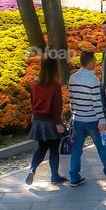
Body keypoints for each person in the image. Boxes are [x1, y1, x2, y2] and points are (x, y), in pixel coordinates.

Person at [67, 50, 106, 185]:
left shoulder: (72, 78)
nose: (96, 63)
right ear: (91, 62)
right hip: (92, 120)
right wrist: (102, 120)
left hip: (77, 119)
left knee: (76, 150)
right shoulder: (93, 79)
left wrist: (72, 115)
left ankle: (74, 176)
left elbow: (71, 100)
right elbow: (97, 103)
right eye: (94, 60)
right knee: (102, 145)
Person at [26, 54, 67, 185]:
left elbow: (32, 101)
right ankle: (54, 176)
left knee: (41, 148)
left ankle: (32, 169)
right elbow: (57, 106)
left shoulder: (35, 83)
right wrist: (58, 123)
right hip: (50, 122)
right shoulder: (55, 85)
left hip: (37, 121)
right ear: (54, 67)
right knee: (54, 149)